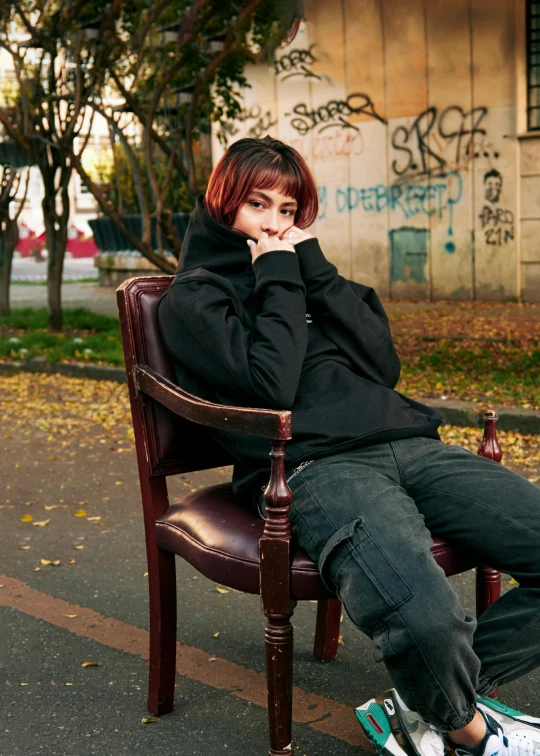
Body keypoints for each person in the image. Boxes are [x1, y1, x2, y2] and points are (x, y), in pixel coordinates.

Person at [157, 136, 540, 756]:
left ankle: (431, 702)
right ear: (223, 201)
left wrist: (317, 272)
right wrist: (277, 274)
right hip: (315, 468)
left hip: (410, 445)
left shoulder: (308, 274)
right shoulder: (196, 296)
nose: (276, 225)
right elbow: (272, 387)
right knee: (424, 618)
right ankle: (467, 733)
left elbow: (382, 364)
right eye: (259, 205)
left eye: (289, 210)